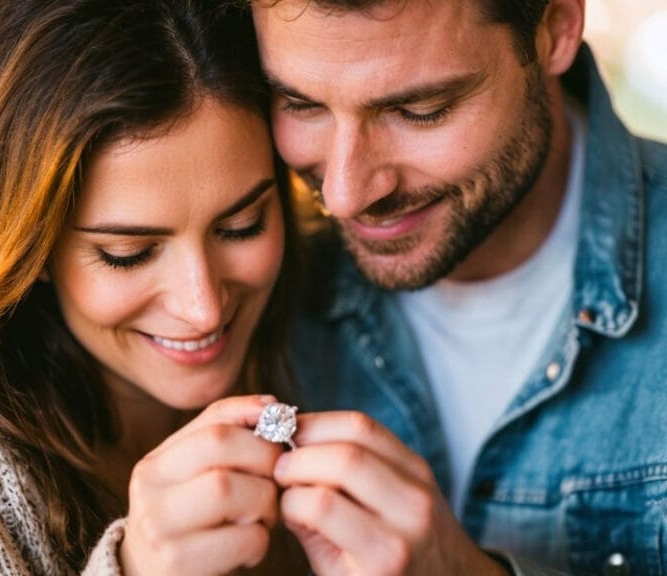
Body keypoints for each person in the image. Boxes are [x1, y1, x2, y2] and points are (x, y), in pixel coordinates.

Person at [249, 0, 667, 574]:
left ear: (554, 30)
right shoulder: (254, 281)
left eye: (420, 110)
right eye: (301, 104)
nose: (345, 195)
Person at [0, 0, 311, 573]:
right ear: (29, 246)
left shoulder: (323, 332)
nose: (204, 307)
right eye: (128, 254)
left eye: (242, 226)